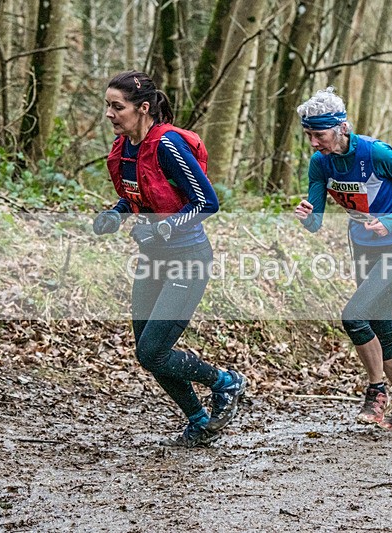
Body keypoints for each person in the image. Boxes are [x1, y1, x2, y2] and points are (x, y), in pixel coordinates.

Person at [93, 71, 247, 447]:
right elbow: (136, 198)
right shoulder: (123, 149)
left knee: (152, 350)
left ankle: (225, 382)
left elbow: (207, 203)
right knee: (148, 350)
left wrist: (161, 230)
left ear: (143, 108)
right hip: (152, 258)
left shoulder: (167, 146)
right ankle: (198, 420)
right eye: (108, 107)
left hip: (187, 258)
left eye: (118, 107)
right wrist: (115, 215)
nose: (110, 114)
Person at [293, 87, 392, 431]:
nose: (312, 142)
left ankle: (376, 390)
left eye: (318, 134)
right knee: (381, 330)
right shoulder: (320, 163)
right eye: (308, 134)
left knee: (354, 316)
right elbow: (315, 222)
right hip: (364, 250)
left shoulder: (375, 152)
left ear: (341, 128)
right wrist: (307, 215)